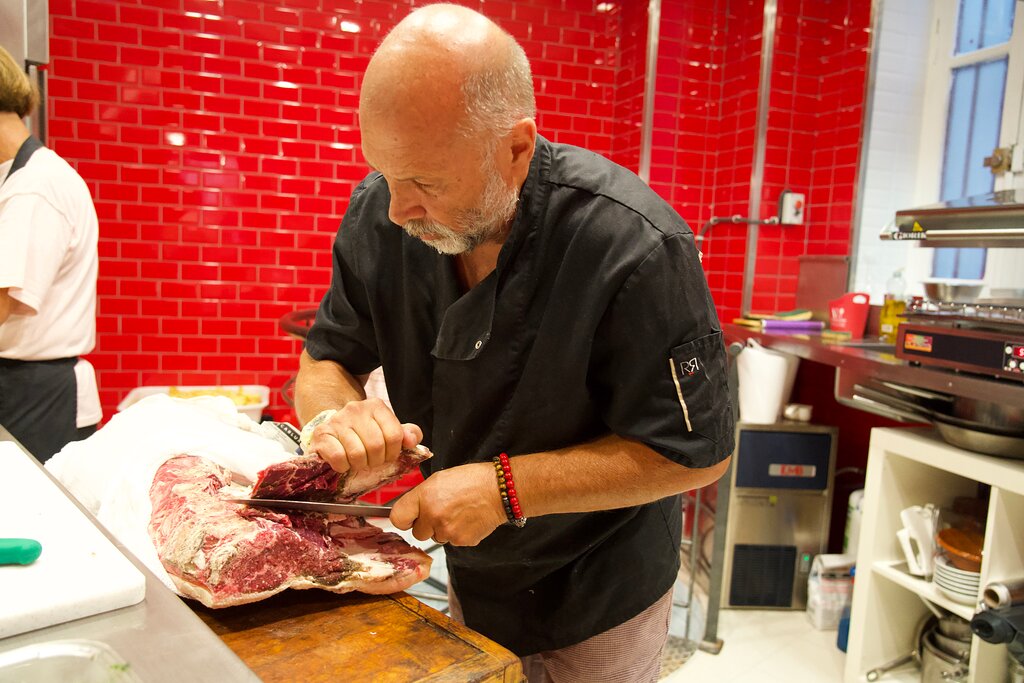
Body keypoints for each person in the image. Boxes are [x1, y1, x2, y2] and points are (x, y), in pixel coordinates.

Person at [295, 5, 734, 681]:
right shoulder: (381, 218)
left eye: (426, 183)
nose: (397, 210)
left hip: (599, 586)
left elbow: (697, 452)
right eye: (385, 172)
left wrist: (506, 489)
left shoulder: (633, 245)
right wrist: (333, 418)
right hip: (477, 571)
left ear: (516, 149)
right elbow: (326, 357)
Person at [0, 45, 101, 462]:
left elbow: (1, 304)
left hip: (35, 396)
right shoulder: (21, 179)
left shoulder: (34, 188)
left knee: (30, 502)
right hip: (27, 386)